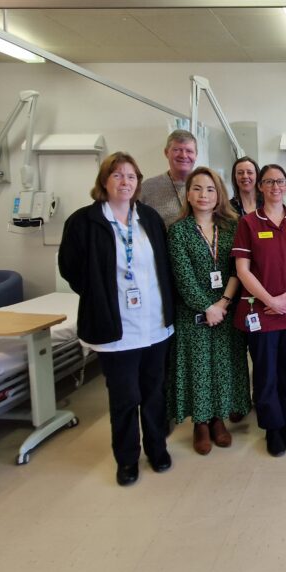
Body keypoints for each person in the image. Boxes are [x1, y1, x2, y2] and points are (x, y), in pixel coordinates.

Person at [59, 152, 174, 487]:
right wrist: (99, 296)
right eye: (118, 176)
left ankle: (157, 449)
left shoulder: (148, 219)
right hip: (115, 326)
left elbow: (161, 265)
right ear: (104, 181)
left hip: (154, 323)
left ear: (138, 183)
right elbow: (71, 269)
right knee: (124, 397)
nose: (125, 182)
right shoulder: (84, 221)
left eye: (131, 176)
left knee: (154, 392)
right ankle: (126, 460)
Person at [231, 164, 286, 457]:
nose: (275, 186)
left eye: (280, 181)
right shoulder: (249, 223)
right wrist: (272, 299)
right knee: (265, 371)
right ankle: (271, 426)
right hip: (262, 310)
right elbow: (242, 270)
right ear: (260, 187)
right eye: (269, 181)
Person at [167, 166, 250, 455]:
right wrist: (206, 306)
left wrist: (223, 304)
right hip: (193, 311)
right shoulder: (178, 231)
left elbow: (239, 268)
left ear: (219, 195)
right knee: (198, 364)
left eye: (210, 189)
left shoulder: (233, 227)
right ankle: (200, 423)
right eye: (198, 189)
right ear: (188, 194)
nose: (204, 195)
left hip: (227, 307)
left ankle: (218, 419)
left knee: (224, 364)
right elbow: (182, 276)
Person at [141, 130, 199, 227]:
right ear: (166, 152)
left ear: (196, 155)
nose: (183, 155)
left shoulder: (208, 187)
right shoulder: (147, 188)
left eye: (189, 151)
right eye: (177, 150)